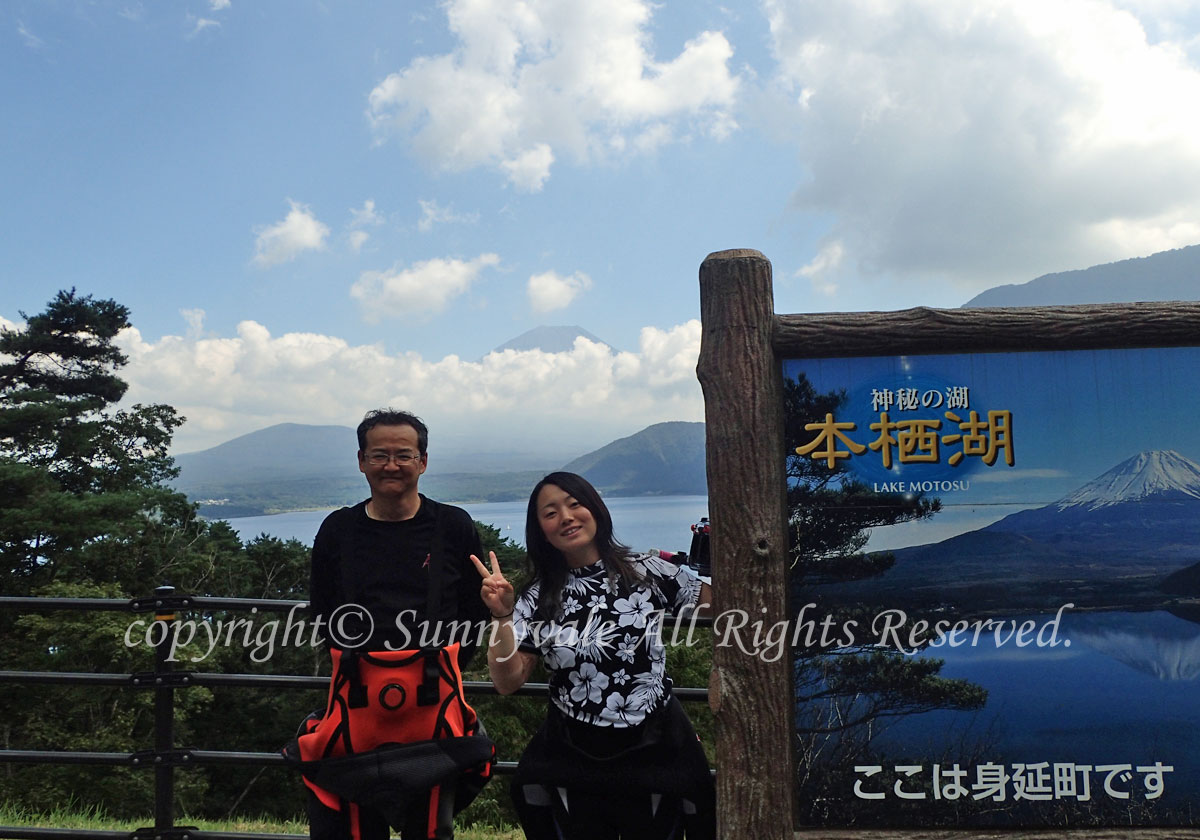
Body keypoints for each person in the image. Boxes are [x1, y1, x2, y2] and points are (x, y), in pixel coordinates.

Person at [473, 471, 716, 839]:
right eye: (551, 513)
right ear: (540, 529)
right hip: (574, 750)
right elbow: (507, 682)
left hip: (655, 742)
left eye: (575, 504)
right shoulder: (536, 597)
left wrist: (723, 556)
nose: (566, 517)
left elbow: (723, 608)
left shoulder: (647, 571)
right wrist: (503, 615)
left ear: (596, 510)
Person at [292, 409, 493, 840]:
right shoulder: (338, 530)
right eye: (379, 455)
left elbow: (475, 611)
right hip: (357, 701)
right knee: (351, 825)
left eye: (403, 455)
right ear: (361, 460)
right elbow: (323, 610)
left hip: (434, 703)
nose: (391, 466)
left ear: (423, 461)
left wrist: (447, 660)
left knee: (430, 828)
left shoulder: (452, 526)